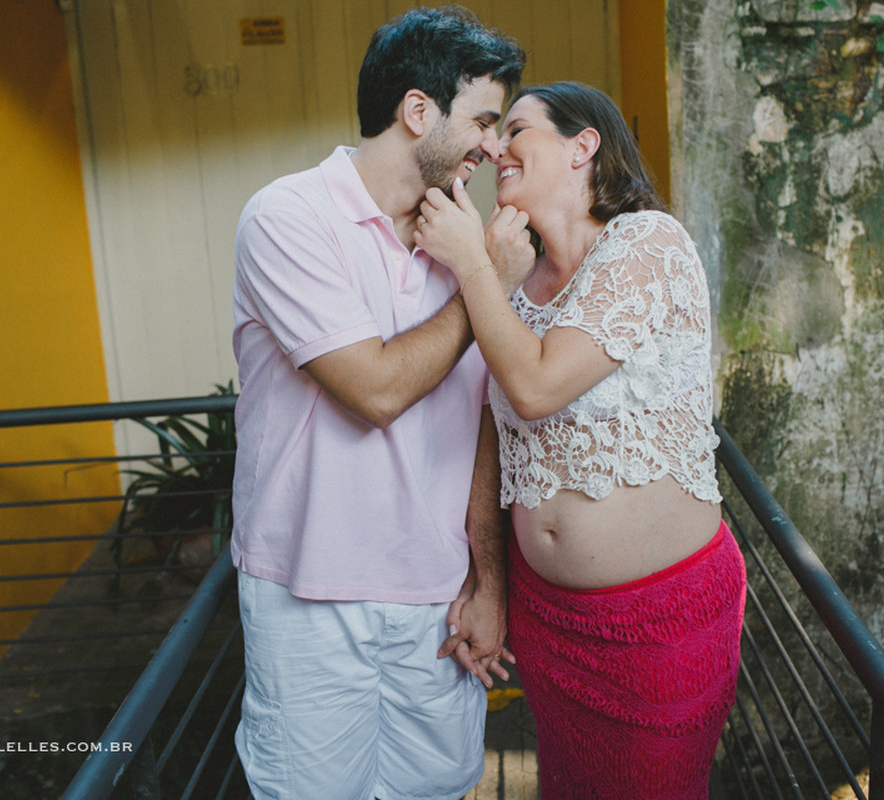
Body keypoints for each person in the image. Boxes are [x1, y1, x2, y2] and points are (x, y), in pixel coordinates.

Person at [415, 81, 747, 799]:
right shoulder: (514, 285)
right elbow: (493, 440)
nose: (497, 148)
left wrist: (470, 261)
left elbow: (536, 387)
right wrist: (491, 587)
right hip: (550, 623)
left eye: (519, 130)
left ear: (582, 145)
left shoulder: (648, 243)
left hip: (659, 628)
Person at [228, 8, 525, 799]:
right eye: (485, 122)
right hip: (309, 600)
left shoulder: (463, 237)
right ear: (418, 111)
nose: (497, 148)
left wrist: (488, 580)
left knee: (438, 791)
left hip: (436, 600)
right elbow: (378, 389)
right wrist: (483, 281)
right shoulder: (288, 217)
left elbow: (482, 422)